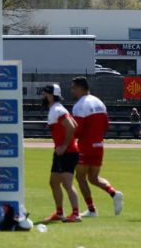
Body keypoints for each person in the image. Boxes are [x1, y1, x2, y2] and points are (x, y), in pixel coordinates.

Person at [70, 77, 123, 217]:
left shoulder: (79, 105)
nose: (72, 91)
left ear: (80, 88)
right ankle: (113, 193)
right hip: (99, 145)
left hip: (85, 146)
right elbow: (106, 125)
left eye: (73, 88)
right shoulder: (99, 102)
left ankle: (92, 209)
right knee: (93, 178)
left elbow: (78, 130)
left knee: (80, 177)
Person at [42, 83, 81, 223]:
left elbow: (71, 126)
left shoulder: (57, 109)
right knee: (54, 182)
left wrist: (65, 146)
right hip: (62, 152)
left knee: (67, 183)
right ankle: (59, 212)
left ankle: (76, 214)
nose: (43, 96)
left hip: (67, 152)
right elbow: (75, 125)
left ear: (51, 96)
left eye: (45, 94)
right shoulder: (57, 109)